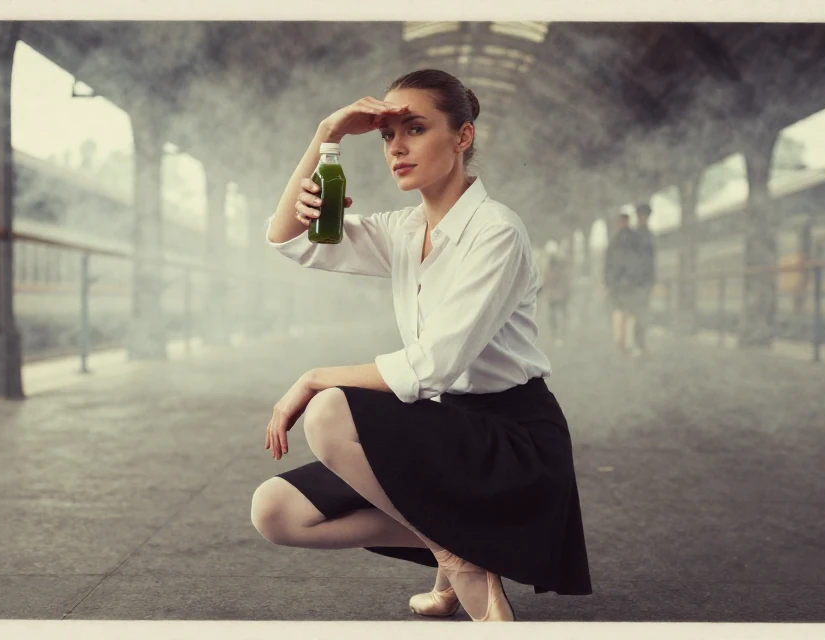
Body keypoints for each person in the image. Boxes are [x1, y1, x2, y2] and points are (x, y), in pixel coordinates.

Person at [250, 68, 592, 622]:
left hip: (511, 444)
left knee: (329, 410)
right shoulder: (404, 229)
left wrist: (315, 377)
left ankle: (465, 566)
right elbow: (287, 238)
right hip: (445, 430)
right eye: (387, 135)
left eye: (414, 128)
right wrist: (325, 136)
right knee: (276, 511)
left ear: (463, 137)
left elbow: (432, 365)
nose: (396, 148)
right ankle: (455, 548)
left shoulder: (496, 231)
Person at [603, 213, 638, 354]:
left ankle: (621, 341)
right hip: (627, 282)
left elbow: (608, 264)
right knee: (627, 312)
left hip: (619, 283)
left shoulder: (614, 241)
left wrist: (608, 282)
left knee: (621, 312)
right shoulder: (634, 240)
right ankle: (626, 341)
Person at [628, 204, 657, 356]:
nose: (644, 218)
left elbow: (651, 260)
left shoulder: (646, 235)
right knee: (637, 313)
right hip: (635, 282)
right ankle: (636, 344)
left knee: (642, 313)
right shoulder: (635, 236)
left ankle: (640, 343)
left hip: (643, 282)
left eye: (646, 215)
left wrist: (652, 279)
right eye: (642, 215)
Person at [542, 245, 572, 346]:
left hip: (553, 295)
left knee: (553, 315)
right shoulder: (561, 268)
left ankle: (555, 334)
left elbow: (545, 282)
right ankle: (562, 333)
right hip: (561, 295)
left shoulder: (549, 269)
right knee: (562, 314)